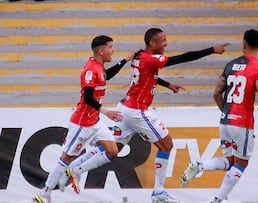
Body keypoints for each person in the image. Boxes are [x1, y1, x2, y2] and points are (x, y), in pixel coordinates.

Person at [64, 27, 229, 203]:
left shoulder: (140, 55)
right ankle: (158, 192)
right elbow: (181, 58)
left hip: (125, 107)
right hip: (137, 111)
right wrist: (212, 50)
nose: (166, 43)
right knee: (166, 144)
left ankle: (75, 169)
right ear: (152, 43)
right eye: (163, 40)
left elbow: (148, 75)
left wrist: (167, 84)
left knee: (113, 149)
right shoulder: (151, 58)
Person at [180, 29, 258, 203]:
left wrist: (226, 112)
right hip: (242, 124)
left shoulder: (230, 65)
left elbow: (217, 93)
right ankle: (218, 200)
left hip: (225, 121)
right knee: (241, 164)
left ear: (243, 45)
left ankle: (199, 166)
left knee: (230, 161)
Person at [32, 35, 133, 203]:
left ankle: (76, 171)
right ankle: (43, 194)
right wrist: (105, 111)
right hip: (82, 123)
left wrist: (124, 61)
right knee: (65, 158)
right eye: (110, 47)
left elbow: (106, 76)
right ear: (101, 51)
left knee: (113, 151)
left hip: (95, 122)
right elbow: (87, 97)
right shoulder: (90, 70)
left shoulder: (99, 67)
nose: (112, 50)